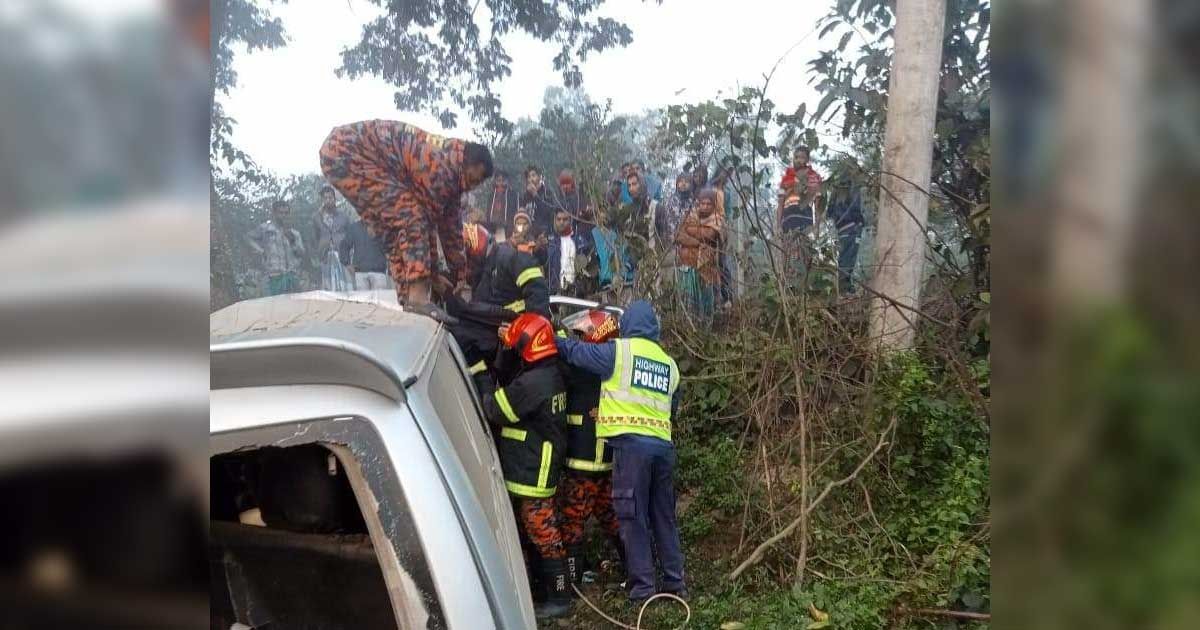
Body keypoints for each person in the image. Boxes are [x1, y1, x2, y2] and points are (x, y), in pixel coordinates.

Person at [554, 300, 686, 605]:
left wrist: (554, 338)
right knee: (663, 516)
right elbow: (672, 408)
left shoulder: (619, 353)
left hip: (631, 449)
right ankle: (675, 583)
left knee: (632, 516)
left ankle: (642, 589)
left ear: (627, 326)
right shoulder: (669, 364)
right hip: (663, 450)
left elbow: (577, 353)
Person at [318, 120, 493, 323]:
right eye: (473, 180)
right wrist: (434, 275)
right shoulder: (439, 168)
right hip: (346, 152)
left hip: (350, 155)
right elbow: (427, 225)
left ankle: (406, 300)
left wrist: (460, 274)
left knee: (393, 232)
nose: (472, 187)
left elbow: (451, 228)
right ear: (466, 163)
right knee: (412, 216)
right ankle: (418, 300)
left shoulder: (453, 173)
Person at [472, 313, 571, 619]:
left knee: (543, 532)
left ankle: (559, 598)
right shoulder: (550, 372)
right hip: (534, 465)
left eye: (516, 345)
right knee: (535, 533)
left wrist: (480, 375)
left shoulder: (533, 383)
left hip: (533, 470)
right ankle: (545, 591)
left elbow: (494, 409)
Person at [556, 309, 622, 587]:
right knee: (613, 519)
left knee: (572, 524)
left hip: (583, 466)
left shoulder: (583, 369)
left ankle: (571, 583)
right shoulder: (611, 369)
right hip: (606, 465)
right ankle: (638, 569)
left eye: (582, 335)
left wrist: (555, 335)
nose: (578, 339)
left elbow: (565, 356)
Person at [674, 189, 725, 318]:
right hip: (687, 268)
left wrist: (689, 230)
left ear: (714, 205)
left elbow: (708, 235)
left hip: (706, 270)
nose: (705, 207)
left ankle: (705, 331)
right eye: (702, 203)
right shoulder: (690, 215)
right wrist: (697, 243)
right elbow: (678, 236)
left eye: (709, 204)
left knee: (706, 304)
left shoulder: (717, 220)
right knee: (688, 304)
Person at [247, 200, 306, 296]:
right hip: (272, 277)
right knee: (274, 308)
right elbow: (249, 238)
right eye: (281, 213)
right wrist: (260, 251)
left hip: (291, 277)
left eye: (286, 213)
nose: (283, 216)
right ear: (274, 213)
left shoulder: (295, 233)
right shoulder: (266, 229)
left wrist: (292, 240)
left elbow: (302, 253)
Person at [824, 173, 866, 292]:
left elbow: (829, 213)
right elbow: (856, 208)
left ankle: (843, 286)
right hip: (852, 226)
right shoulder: (854, 188)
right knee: (849, 257)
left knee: (843, 257)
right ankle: (845, 286)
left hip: (840, 228)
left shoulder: (835, 191)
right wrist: (861, 222)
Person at [312, 185, 352, 290]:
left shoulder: (343, 216)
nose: (328, 200)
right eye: (325, 198)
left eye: (330, 198)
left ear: (334, 199)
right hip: (326, 256)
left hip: (342, 255)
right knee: (329, 287)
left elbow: (350, 235)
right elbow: (316, 237)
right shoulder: (317, 218)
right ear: (322, 200)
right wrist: (321, 248)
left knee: (346, 286)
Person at [777, 146, 822, 234]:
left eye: (802, 157)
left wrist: (817, 226)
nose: (798, 160)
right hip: (787, 222)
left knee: (803, 246)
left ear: (807, 160)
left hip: (805, 221)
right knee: (788, 247)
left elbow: (818, 205)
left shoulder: (813, 177)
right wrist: (778, 226)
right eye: (796, 157)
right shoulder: (786, 178)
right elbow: (780, 204)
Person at [338, 219, 390, 290]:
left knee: (379, 300)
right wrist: (347, 263)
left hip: (379, 272)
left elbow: (390, 247)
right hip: (360, 273)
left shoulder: (383, 227)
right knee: (361, 300)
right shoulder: (354, 227)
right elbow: (344, 245)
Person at [547, 210, 585, 296]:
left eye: (565, 219)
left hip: (575, 293)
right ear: (555, 221)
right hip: (554, 293)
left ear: (570, 221)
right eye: (559, 219)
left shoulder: (579, 241)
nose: (561, 222)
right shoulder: (550, 243)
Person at [656, 173, 694, 249]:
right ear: (677, 184)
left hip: (684, 245)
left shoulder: (693, 203)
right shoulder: (669, 200)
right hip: (667, 243)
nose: (683, 184)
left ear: (691, 185)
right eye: (681, 181)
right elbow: (662, 221)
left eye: (686, 182)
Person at [521, 166, 558, 238]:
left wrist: (535, 195)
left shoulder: (547, 193)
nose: (531, 179)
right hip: (529, 234)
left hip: (544, 233)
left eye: (533, 175)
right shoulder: (526, 196)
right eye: (529, 177)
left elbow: (549, 212)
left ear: (540, 177)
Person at [486, 170, 520, 241]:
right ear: (495, 182)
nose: (501, 183)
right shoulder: (491, 196)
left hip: (509, 230)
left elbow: (519, 214)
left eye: (503, 180)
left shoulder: (514, 195)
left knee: (504, 249)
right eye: (498, 180)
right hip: (493, 229)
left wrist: (517, 231)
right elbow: (488, 214)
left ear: (507, 181)